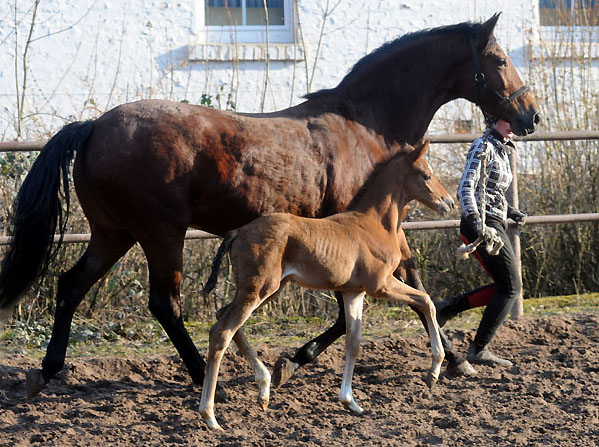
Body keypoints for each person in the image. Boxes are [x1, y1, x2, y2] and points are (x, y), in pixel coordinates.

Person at [435, 118, 526, 368]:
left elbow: (490, 191)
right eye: (506, 120)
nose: (512, 125)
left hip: (495, 221)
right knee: (511, 287)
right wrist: (475, 219)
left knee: (506, 285)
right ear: (494, 120)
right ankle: (478, 349)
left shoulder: (502, 148)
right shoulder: (482, 146)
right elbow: (466, 187)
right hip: (482, 225)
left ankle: (446, 309)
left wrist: (510, 210)